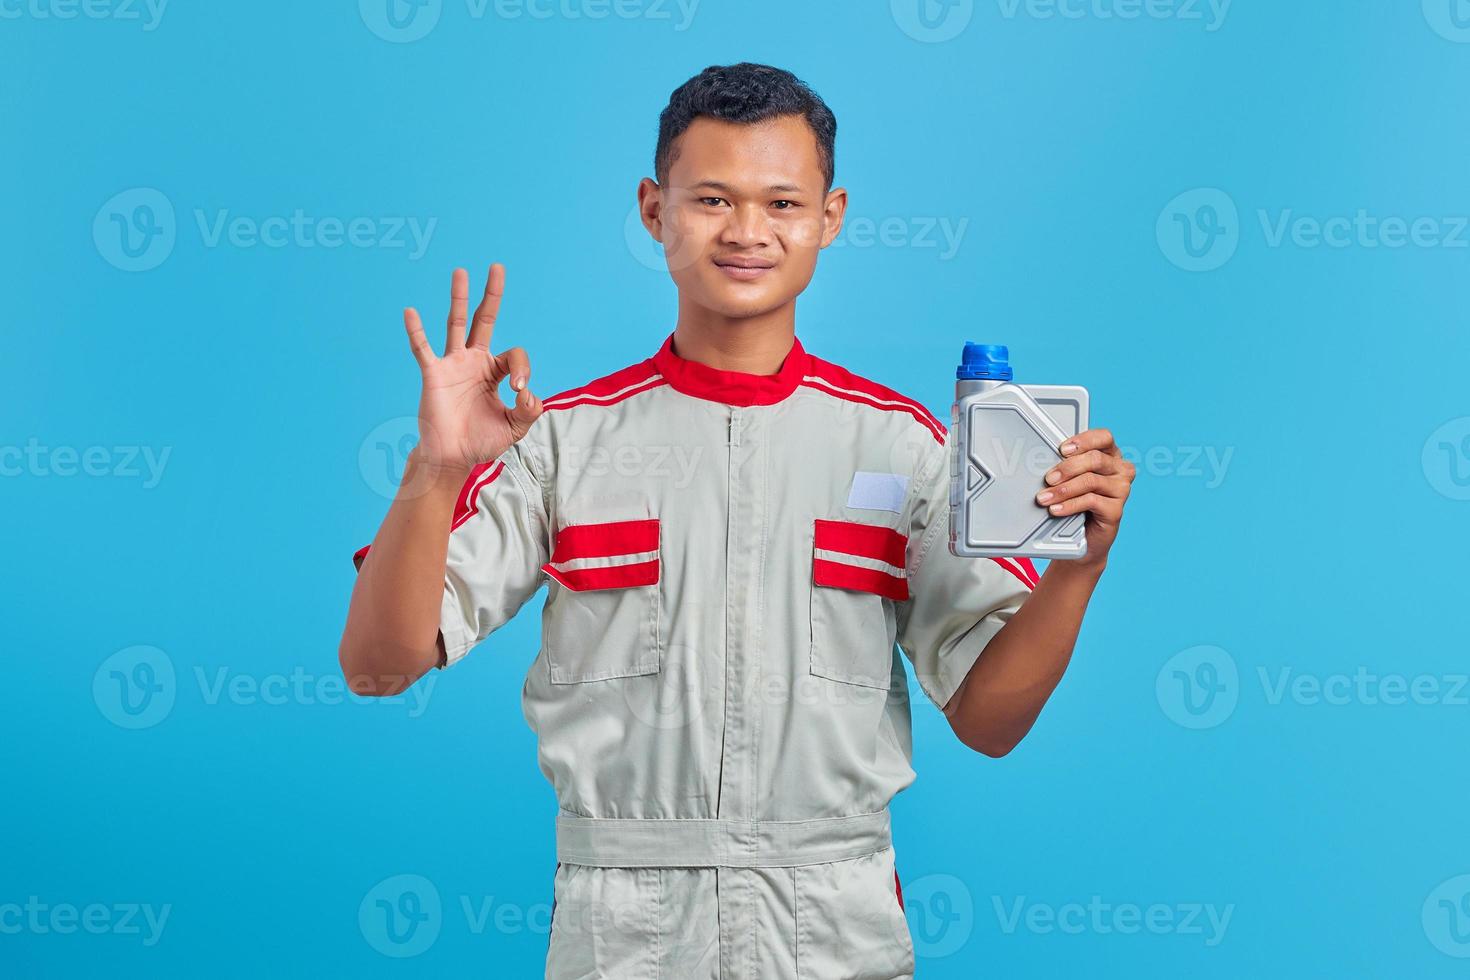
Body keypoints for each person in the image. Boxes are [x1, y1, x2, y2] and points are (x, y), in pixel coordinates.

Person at [339, 62, 1136, 979]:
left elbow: (990, 722)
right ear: (654, 208)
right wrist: (436, 472)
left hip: (833, 928)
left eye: (783, 203)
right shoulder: (563, 443)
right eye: (712, 198)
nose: (748, 231)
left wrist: (1079, 569)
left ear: (829, 217)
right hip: (622, 937)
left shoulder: (904, 449)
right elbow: (375, 666)